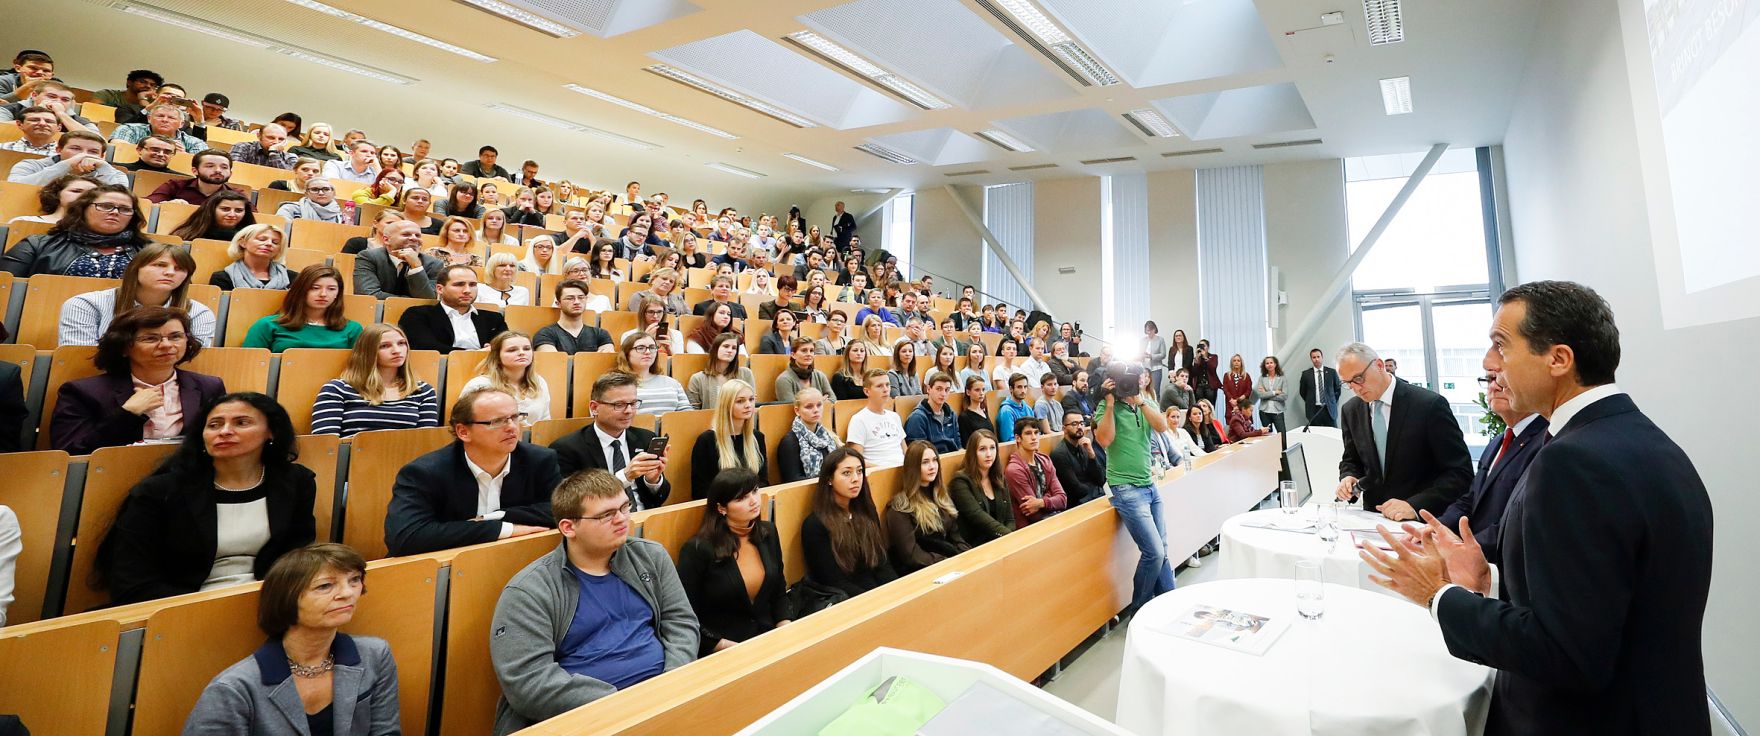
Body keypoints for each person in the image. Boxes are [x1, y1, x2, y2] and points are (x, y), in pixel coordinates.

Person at [1360, 281, 1713, 736]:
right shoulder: (1643, 440)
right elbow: (1602, 603)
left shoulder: (1573, 462)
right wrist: (1488, 581)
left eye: (1501, 345)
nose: (1488, 362)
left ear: (1558, 359)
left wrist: (1439, 595)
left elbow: (1565, 654)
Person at [489, 470, 697, 736]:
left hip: (666, 699)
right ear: (568, 527)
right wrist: (624, 704)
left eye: (624, 507)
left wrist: (673, 681)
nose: (622, 519)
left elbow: (681, 622)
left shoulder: (650, 556)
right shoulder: (529, 590)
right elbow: (529, 682)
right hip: (587, 718)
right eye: (606, 515)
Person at [96, 392, 314, 604]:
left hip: (268, 599)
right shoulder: (158, 492)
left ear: (272, 432)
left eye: (241, 423)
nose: (225, 431)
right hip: (181, 605)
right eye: (214, 425)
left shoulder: (295, 481)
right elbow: (131, 581)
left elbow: (295, 556)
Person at [183, 543, 400, 735]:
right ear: (287, 598)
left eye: (354, 580)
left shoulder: (375, 654)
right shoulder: (234, 688)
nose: (348, 593)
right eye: (325, 586)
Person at [383, 388, 560, 556]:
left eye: (515, 417)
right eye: (497, 421)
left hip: (514, 560)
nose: (512, 427)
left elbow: (562, 512)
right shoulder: (424, 472)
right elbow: (404, 537)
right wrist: (505, 529)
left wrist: (495, 517)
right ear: (463, 432)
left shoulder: (540, 460)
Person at [51, 306, 225, 455]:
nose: (166, 345)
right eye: (150, 338)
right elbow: (71, 451)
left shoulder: (209, 387)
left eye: (175, 337)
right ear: (124, 347)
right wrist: (128, 413)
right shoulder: (83, 392)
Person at [1334, 342, 1473, 521]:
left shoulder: (1428, 405)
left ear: (1379, 365)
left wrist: (1414, 505)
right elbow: (1351, 459)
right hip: (1373, 519)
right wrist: (1349, 476)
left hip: (1421, 521)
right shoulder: (1350, 410)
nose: (1356, 388)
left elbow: (1460, 473)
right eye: (1348, 383)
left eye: (1359, 378)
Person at [1433, 370, 1546, 566]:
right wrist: (1437, 528)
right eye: (1489, 379)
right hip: (1478, 560)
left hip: (1509, 565)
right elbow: (1472, 499)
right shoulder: (1498, 442)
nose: (1494, 386)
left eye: (1502, 379)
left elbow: (1521, 519)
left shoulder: (1546, 441)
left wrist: (1464, 550)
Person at [677, 469, 793, 656]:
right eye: (741, 498)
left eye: (755, 491)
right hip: (722, 648)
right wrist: (725, 646)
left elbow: (779, 591)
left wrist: (785, 629)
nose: (754, 501)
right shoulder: (697, 549)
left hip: (767, 639)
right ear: (721, 508)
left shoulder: (768, 532)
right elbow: (686, 615)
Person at [1093, 370, 1177, 615]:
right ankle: (1139, 610)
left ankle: (1169, 604)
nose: (1126, 386)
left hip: (1149, 484)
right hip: (1124, 486)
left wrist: (1140, 401)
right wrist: (1110, 403)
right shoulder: (1105, 406)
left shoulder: (1145, 402)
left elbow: (1162, 426)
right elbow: (1105, 440)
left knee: (1162, 550)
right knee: (1154, 552)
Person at [548, 372, 670, 510]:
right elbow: (569, 503)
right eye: (619, 405)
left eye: (633, 403)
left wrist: (652, 481)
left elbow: (658, 499)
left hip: (644, 517)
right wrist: (624, 477)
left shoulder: (646, 438)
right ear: (594, 408)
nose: (629, 411)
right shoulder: (567, 448)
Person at [58, 242, 216, 346]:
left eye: (179, 269)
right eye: (160, 265)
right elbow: (80, 360)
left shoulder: (198, 313)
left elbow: (194, 364)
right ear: (135, 269)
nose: (170, 272)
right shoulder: (85, 305)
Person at [312, 324, 441, 437]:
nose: (397, 351)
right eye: (384, 346)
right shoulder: (337, 389)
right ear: (367, 352)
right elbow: (326, 445)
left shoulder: (423, 391)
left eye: (401, 343)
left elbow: (426, 443)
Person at [801, 447, 895, 597]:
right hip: (849, 600)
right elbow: (833, 581)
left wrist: (895, 593)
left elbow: (882, 563)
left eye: (859, 471)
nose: (856, 479)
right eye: (847, 473)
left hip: (879, 593)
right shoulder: (815, 525)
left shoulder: (867, 512)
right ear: (829, 479)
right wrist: (875, 599)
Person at [886, 441, 970, 575]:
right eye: (925, 462)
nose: (932, 466)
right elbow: (911, 555)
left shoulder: (942, 497)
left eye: (935, 460)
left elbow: (956, 537)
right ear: (913, 467)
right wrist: (947, 562)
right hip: (923, 571)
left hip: (949, 563)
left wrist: (968, 557)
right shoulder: (900, 507)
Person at [241, 265, 362, 353]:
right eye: (315, 288)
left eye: (331, 289)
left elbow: (359, 370)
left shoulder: (352, 329)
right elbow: (249, 365)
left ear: (338, 293)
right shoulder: (267, 325)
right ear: (301, 290)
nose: (323, 294)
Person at [397, 264, 508, 353]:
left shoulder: (494, 318)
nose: (467, 290)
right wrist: (478, 353)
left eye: (472, 285)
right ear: (440, 289)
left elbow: (505, 347)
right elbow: (425, 347)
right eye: (459, 284)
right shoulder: (417, 314)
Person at [691, 380, 767, 493]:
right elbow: (700, 490)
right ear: (726, 404)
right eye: (740, 401)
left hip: (752, 501)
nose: (748, 405)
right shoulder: (707, 441)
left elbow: (763, 482)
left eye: (751, 399)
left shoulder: (757, 437)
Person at [459, 331, 550, 426]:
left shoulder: (539, 382)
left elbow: (545, 421)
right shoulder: (479, 385)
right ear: (497, 356)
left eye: (527, 349)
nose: (522, 353)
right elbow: (464, 423)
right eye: (512, 350)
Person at [353, 218, 447, 300]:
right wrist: (409, 300)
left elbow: (428, 299)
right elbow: (368, 294)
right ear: (386, 240)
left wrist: (416, 267)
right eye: (406, 234)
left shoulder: (434, 264)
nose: (414, 238)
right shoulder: (369, 257)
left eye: (417, 235)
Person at [8, 130, 128, 186]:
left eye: (93, 152)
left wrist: (104, 168)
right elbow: (15, 188)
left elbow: (119, 200)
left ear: (102, 156)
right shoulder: (30, 165)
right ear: (58, 150)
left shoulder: (115, 175)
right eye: (75, 149)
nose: (83, 154)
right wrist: (67, 165)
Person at [1004, 420, 1066, 527]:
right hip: (1032, 527)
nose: (1034, 437)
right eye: (1028, 433)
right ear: (1018, 438)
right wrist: (1050, 497)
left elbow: (1062, 499)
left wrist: (1041, 502)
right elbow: (1034, 514)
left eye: (1036, 432)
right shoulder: (1014, 470)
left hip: (1054, 518)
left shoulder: (1045, 460)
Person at [615, 332, 691, 417]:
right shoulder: (616, 384)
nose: (648, 352)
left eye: (652, 347)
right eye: (640, 348)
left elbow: (687, 414)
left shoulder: (672, 383)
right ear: (627, 353)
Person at [775, 387, 839, 483]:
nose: (816, 410)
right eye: (809, 407)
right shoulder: (789, 442)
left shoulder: (828, 437)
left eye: (819, 405)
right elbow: (792, 480)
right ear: (797, 411)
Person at [533, 280, 615, 355]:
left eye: (581, 297)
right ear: (558, 303)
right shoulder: (545, 334)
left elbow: (605, 360)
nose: (577, 302)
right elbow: (553, 362)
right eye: (570, 298)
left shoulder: (601, 334)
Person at [845, 369, 907, 467]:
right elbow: (856, 460)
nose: (886, 389)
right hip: (878, 472)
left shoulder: (895, 417)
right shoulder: (858, 420)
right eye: (879, 386)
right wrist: (884, 470)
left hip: (903, 470)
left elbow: (905, 451)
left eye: (887, 385)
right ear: (867, 391)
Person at [686, 333, 755, 411]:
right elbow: (693, 411)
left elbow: (751, 404)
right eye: (726, 346)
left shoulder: (746, 374)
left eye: (734, 348)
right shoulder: (698, 379)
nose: (730, 351)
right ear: (715, 349)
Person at [1051, 412, 1107, 506]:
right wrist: (1098, 490)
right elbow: (1075, 489)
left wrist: (1091, 454)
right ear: (1064, 429)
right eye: (1074, 424)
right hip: (1078, 503)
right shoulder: (1059, 454)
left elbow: (1101, 479)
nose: (1079, 427)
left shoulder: (1084, 447)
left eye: (1081, 423)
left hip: (1093, 496)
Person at [109, 102, 205, 152]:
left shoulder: (195, 142)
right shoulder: (129, 129)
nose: (165, 120)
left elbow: (201, 166)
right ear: (149, 119)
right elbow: (118, 149)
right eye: (160, 116)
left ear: (181, 124)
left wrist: (183, 157)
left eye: (171, 118)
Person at [8, 173, 96, 226]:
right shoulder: (25, 221)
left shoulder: (99, 229)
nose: (85, 196)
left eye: (92, 193)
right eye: (76, 191)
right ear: (57, 194)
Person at [903, 371, 960, 453]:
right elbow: (918, 453)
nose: (943, 394)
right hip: (932, 459)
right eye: (939, 389)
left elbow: (958, 445)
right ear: (928, 389)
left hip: (952, 457)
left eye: (947, 390)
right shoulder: (917, 418)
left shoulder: (951, 414)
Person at [169, 189, 255, 242]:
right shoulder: (187, 235)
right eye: (225, 209)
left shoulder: (251, 238)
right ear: (212, 210)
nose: (232, 215)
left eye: (239, 210)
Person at [1298, 347, 1342, 428]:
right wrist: (1310, 401)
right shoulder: (1306, 374)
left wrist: (1331, 401)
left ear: (1322, 357)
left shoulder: (1332, 372)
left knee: (1332, 432)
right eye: (1314, 357)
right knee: (1316, 433)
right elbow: (1302, 392)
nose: (1316, 359)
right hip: (1314, 410)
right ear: (1311, 359)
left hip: (1329, 409)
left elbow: (1337, 390)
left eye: (1318, 357)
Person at [274, 177, 346, 224]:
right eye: (315, 189)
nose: (321, 193)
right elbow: (281, 228)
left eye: (326, 189)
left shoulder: (343, 215)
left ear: (333, 193)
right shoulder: (290, 208)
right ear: (306, 193)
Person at [227, 123, 297, 169]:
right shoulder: (242, 147)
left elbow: (286, 178)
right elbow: (235, 169)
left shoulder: (290, 157)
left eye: (281, 139)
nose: (276, 142)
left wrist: (274, 153)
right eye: (271, 137)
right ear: (259, 136)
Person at [994, 374, 1034, 442]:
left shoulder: (1028, 408)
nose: (1023, 390)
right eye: (1019, 387)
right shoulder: (1006, 411)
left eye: (1025, 387)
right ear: (1011, 389)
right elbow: (1009, 440)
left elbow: (1035, 431)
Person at [957, 376, 996, 446]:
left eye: (983, 389)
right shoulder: (964, 417)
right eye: (977, 390)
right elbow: (966, 443)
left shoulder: (984, 412)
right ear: (968, 392)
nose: (981, 393)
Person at [1191, 341, 1221, 410]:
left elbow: (1213, 368)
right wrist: (1197, 360)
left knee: (1210, 406)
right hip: (1199, 386)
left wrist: (1205, 357)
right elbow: (1194, 372)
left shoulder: (1213, 357)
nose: (1201, 347)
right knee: (1199, 406)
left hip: (1210, 386)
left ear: (1208, 347)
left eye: (1203, 345)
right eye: (1200, 345)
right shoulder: (1197, 358)